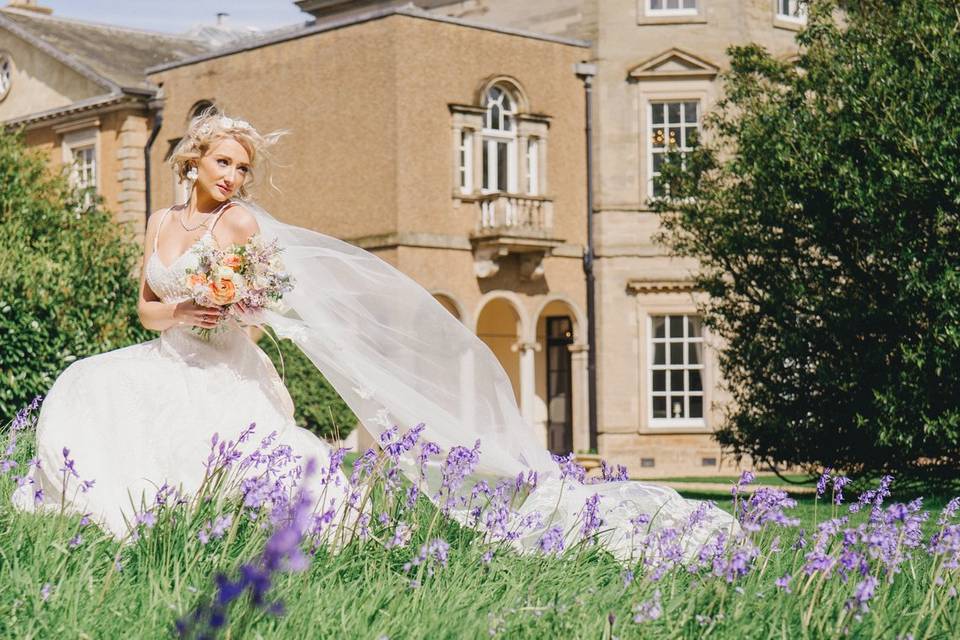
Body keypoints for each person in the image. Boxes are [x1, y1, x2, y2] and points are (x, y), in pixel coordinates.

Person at [12, 111, 735, 559]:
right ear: (193, 159)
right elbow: (146, 308)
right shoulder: (160, 222)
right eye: (223, 162)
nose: (232, 176)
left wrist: (229, 307)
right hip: (169, 349)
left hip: (225, 362)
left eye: (242, 168)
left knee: (252, 458)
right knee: (87, 384)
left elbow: (261, 311)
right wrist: (183, 312)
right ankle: (136, 525)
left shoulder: (241, 225)